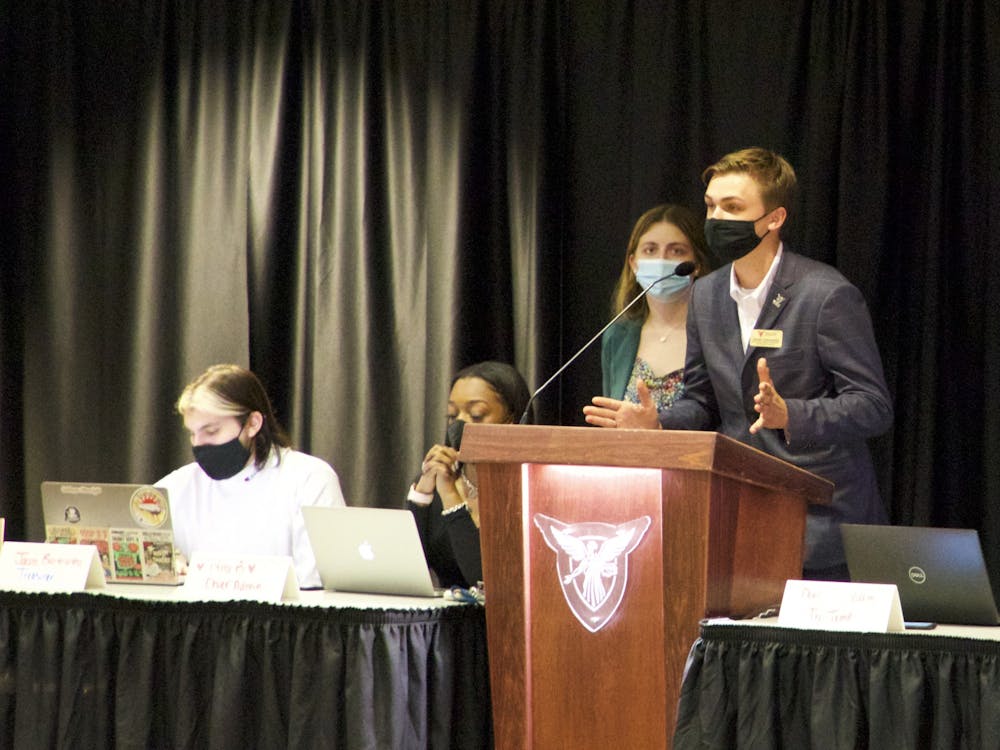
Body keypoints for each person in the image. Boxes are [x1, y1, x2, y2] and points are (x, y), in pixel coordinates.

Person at [584, 148, 893, 580]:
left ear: (774, 218)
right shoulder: (706, 295)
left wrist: (791, 414)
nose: (716, 219)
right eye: (711, 206)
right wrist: (659, 424)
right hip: (738, 515)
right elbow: (701, 401)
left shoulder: (825, 294)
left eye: (732, 208)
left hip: (820, 522)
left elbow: (873, 406)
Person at [157, 363, 345, 588]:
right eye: (192, 434)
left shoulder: (309, 479)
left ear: (252, 424)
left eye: (212, 431)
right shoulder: (176, 486)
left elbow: (319, 586)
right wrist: (168, 562)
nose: (199, 444)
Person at [583, 204, 713, 429]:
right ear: (633, 263)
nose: (661, 260)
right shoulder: (618, 335)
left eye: (677, 251)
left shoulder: (715, 333)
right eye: (650, 250)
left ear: (697, 265)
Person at [407, 361, 531, 589]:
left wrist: (451, 497)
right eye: (453, 415)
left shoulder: (528, 492)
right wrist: (421, 496)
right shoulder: (438, 482)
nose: (459, 424)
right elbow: (406, 571)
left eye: (476, 415)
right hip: (444, 612)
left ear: (512, 420)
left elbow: (484, 581)